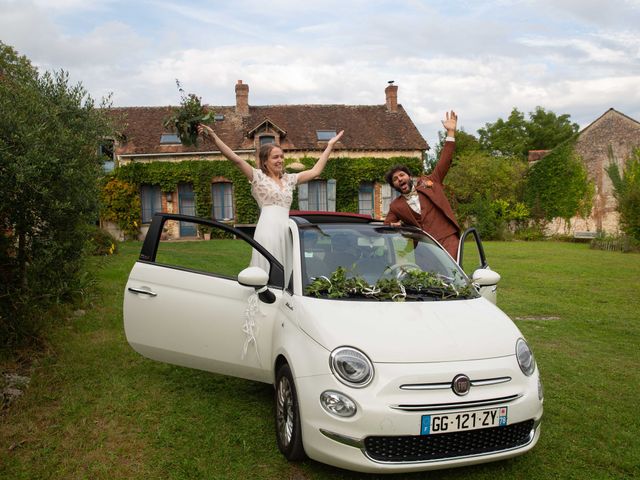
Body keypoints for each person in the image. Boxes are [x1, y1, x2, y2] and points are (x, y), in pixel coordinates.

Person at [198, 124, 344, 276]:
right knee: (267, 270)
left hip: (286, 231)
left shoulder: (289, 179)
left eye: (281, 156)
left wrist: (329, 146)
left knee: (286, 270)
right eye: (275, 157)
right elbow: (236, 160)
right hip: (267, 231)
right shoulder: (258, 177)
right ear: (265, 161)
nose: (280, 160)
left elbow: (315, 171)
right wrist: (214, 138)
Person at [384, 111, 460, 259]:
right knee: (429, 279)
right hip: (424, 247)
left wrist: (451, 132)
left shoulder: (430, 182)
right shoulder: (396, 206)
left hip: (447, 239)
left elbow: (444, 160)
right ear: (394, 186)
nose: (399, 179)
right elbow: (386, 226)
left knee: (452, 276)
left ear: (409, 177)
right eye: (395, 179)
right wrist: (398, 227)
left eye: (401, 175)